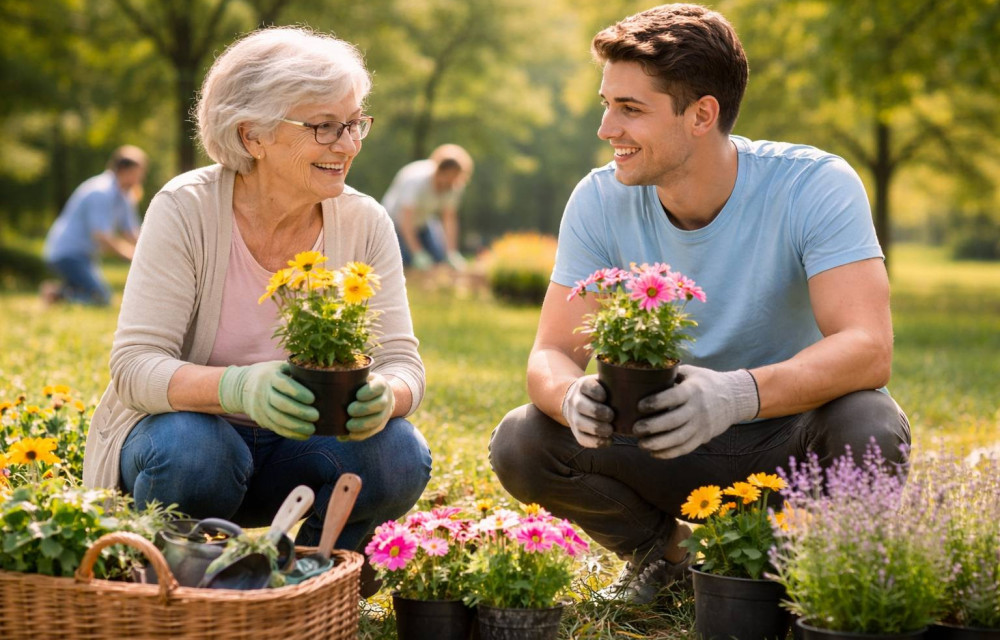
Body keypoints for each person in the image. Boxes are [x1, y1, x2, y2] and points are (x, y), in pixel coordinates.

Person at [489, 3, 910, 606]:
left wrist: (736, 394)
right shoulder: (598, 199)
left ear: (701, 115)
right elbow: (552, 351)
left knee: (869, 424)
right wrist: (568, 395)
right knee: (523, 441)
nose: (607, 128)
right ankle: (669, 556)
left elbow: (868, 349)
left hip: (790, 438)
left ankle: (811, 577)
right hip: (662, 442)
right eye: (607, 104)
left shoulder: (814, 184)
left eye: (630, 109)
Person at [81, 27, 431, 595]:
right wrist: (238, 388)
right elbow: (134, 366)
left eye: (354, 123)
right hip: (195, 448)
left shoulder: (364, 221)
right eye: (323, 126)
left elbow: (403, 364)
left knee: (397, 453)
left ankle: (309, 582)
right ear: (253, 135)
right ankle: (188, 588)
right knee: (194, 449)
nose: (347, 145)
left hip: (302, 454)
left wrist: (388, 395)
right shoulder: (185, 208)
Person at [42, 145, 147, 306]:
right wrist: (132, 256)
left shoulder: (125, 195)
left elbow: (131, 231)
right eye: (138, 173)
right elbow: (101, 236)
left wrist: (149, 254)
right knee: (101, 298)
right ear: (124, 170)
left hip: (85, 256)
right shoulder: (100, 191)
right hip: (68, 253)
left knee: (91, 291)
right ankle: (57, 295)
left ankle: (57, 293)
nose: (140, 178)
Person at [382, 143, 473, 270]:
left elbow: (449, 219)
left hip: (422, 222)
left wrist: (451, 252)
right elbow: (405, 222)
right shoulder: (415, 180)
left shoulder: (453, 185)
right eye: (447, 177)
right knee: (405, 261)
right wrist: (417, 253)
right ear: (439, 171)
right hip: (394, 224)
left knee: (438, 258)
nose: (450, 183)